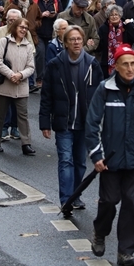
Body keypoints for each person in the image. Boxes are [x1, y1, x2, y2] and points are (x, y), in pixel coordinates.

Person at [86, 44, 134, 266]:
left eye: (133, 64)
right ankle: (100, 231)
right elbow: (92, 124)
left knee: (130, 204)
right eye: (125, 64)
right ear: (116, 67)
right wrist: (96, 155)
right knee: (109, 201)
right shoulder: (105, 89)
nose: (130, 69)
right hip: (110, 158)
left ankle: (126, 252)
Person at [41, 25, 103, 217]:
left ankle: (76, 195)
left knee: (80, 162)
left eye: (79, 39)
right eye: (72, 39)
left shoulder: (92, 64)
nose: (76, 42)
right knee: (66, 160)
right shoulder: (55, 65)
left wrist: (99, 119)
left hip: (85, 123)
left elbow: (101, 94)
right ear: (65, 43)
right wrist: (45, 122)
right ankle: (66, 199)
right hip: (64, 122)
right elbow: (47, 95)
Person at [0, 18, 37, 155]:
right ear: (15, 27)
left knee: (23, 116)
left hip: (21, 86)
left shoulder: (28, 46)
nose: (23, 30)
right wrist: (11, 75)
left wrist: (20, 75)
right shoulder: (4, 41)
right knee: (0, 115)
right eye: (21, 27)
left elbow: (31, 67)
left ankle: (26, 143)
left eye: (26, 28)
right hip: (4, 85)